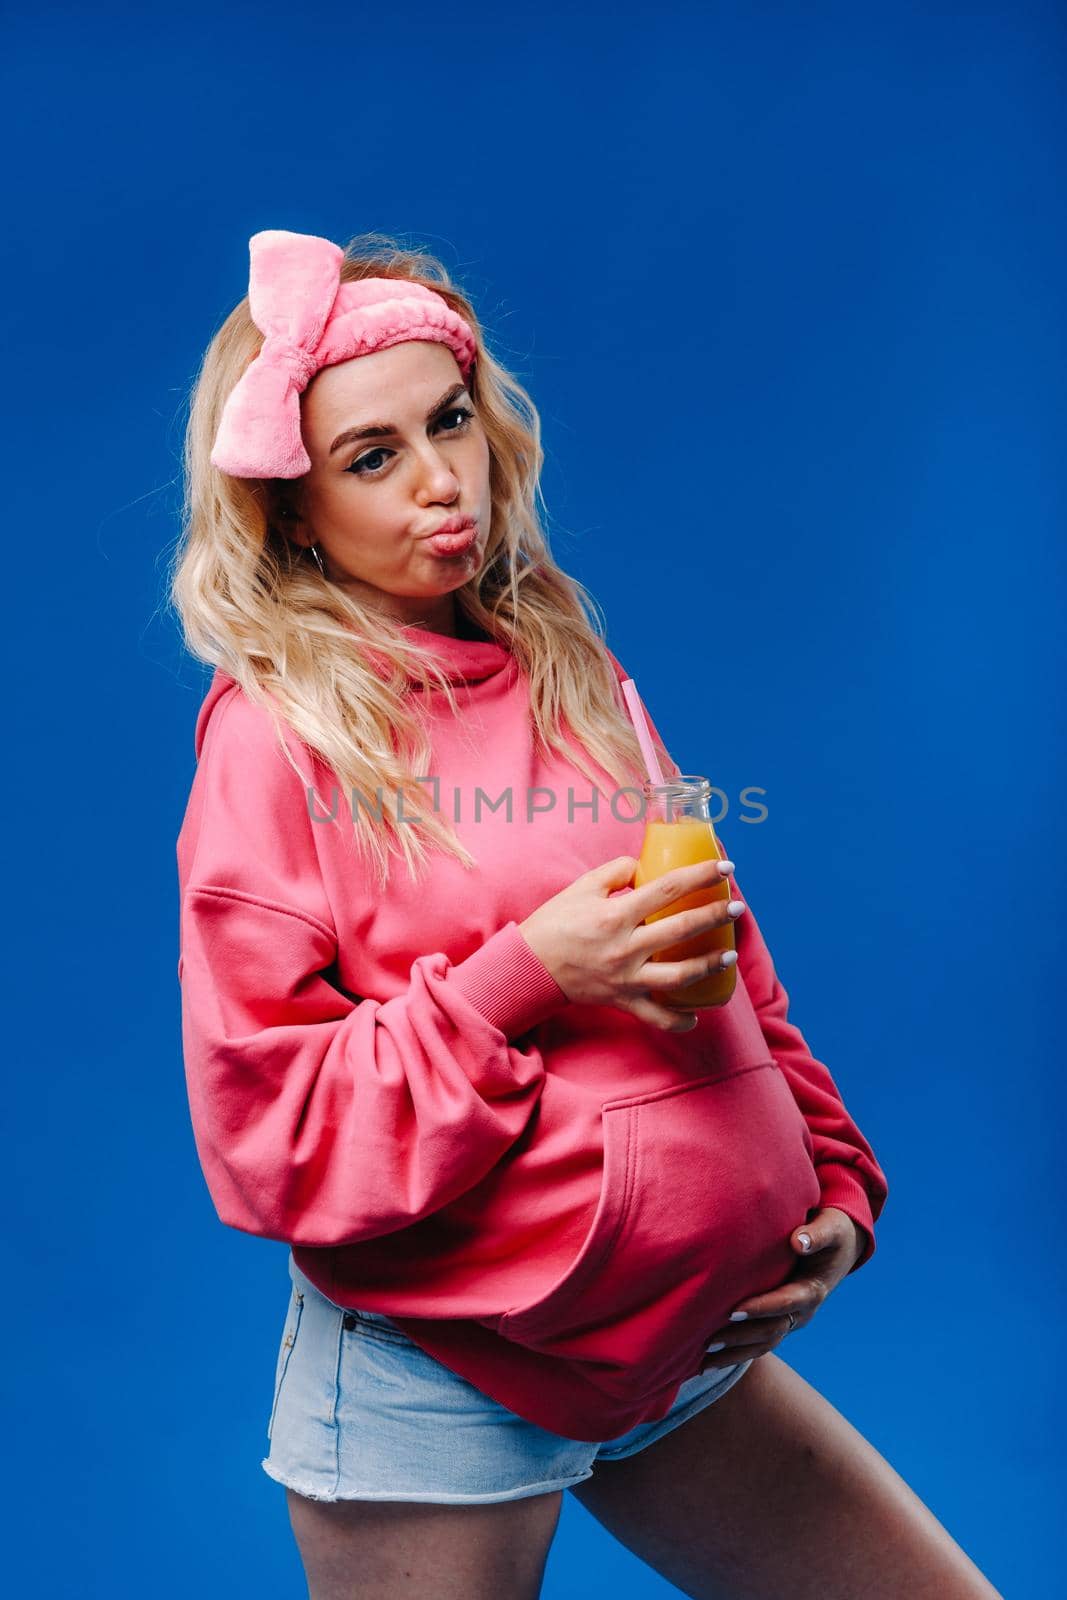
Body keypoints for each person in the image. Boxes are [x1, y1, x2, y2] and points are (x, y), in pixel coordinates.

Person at [170, 228, 1002, 1600]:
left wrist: (835, 1189)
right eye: (371, 457)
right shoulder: (276, 740)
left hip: (672, 1343)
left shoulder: (564, 662)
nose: (441, 481)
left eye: (449, 422)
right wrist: (525, 974)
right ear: (291, 508)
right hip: (444, 1382)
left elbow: (730, 964)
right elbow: (269, 1133)